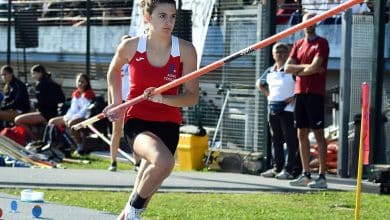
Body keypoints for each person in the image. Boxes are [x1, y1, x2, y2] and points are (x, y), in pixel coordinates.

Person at [104, 0, 198, 219]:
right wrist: (117, 101)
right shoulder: (131, 46)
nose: (169, 22)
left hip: (169, 123)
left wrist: (162, 99)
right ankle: (133, 210)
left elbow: (192, 97)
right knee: (165, 163)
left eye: (173, 16)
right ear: (148, 17)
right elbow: (114, 70)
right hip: (138, 120)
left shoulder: (185, 50)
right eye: (162, 16)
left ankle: (127, 213)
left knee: (147, 182)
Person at [285, 13, 329, 189]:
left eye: (312, 22)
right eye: (306, 22)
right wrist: (306, 69)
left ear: (315, 24)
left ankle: (322, 176)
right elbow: (287, 68)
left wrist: (302, 70)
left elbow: (315, 67)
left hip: (315, 94)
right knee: (301, 134)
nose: (308, 25)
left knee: (318, 133)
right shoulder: (297, 44)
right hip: (300, 93)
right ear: (302, 24)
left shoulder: (322, 43)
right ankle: (305, 173)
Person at [257, 43, 301, 180]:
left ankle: (290, 169)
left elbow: (301, 84)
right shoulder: (270, 70)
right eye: (277, 51)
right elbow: (259, 83)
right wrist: (268, 94)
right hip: (273, 108)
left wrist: (294, 97)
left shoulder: (291, 70)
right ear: (273, 54)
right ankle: (277, 167)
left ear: (288, 54)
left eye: (283, 51)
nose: (280, 54)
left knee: (290, 140)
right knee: (276, 139)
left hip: (288, 110)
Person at [107, 34, 138, 172]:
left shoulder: (137, 61)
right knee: (116, 131)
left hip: (132, 101)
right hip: (119, 102)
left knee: (133, 132)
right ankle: (113, 162)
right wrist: (111, 104)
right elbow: (111, 85)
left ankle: (137, 163)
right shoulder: (116, 63)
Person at [15, 64, 65, 141]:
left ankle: (35, 140)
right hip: (55, 112)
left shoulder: (41, 84)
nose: (32, 76)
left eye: (34, 73)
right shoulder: (53, 83)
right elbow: (61, 98)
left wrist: (34, 104)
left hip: (46, 114)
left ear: (40, 73)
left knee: (18, 120)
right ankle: (38, 137)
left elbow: (41, 103)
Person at [48, 73, 95, 155]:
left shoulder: (89, 94)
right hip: (74, 116)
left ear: (87, 83)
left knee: (71, 123)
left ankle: (79, 145)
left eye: (82, 82)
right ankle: (57, 144)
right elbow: (73, 109)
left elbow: (84, 111)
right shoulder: (76, 94)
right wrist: (68, 117)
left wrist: (72, 118)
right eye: (78, 81)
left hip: (85, 117)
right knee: (52, 121)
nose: (80, 83)